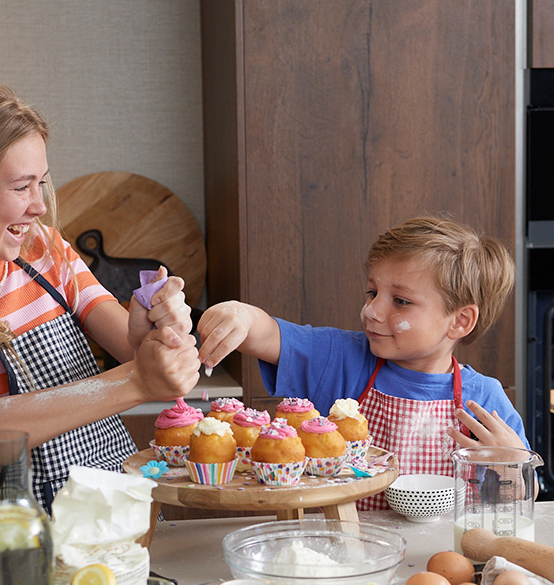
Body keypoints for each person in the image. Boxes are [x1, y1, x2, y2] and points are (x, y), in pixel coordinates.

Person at [0, 81, 201, 511]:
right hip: (12, 534)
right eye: (21, 187)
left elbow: (131, 347)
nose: (39, 207)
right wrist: (138, 380)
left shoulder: (44, 251)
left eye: (42, 184)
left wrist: (152, 331)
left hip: (109, 507)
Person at [197, 216, 530, 509]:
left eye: (400, 301)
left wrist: (515, 466)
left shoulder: (484, 400)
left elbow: (522, 498)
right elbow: (266, 333)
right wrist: (240, 315)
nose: (370, 310)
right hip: (346, 553)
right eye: (372, 292)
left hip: (445, 560)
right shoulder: (340, 358)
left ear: (459, 321)